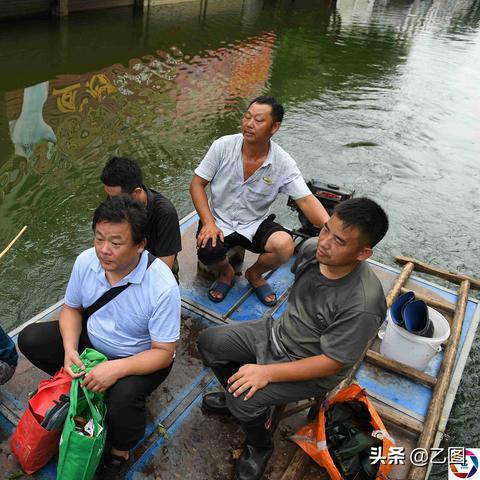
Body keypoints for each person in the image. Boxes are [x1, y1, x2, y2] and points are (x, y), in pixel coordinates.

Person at [197, 197, 389, 480]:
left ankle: (260, 445)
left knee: (243, 398)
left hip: (312, 365)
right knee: (209, 342)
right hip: (277, 332)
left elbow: (331, 364)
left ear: (363, 253)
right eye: (325, 230)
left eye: (339, 241)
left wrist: (268, 373)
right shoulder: (312, 250)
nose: (325, 242)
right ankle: (242, 401)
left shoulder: (363, 303)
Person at [18, 196, 181, 480]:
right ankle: (86, 388)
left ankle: (120, 450)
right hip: (91, 341)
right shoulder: (86, 262)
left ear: (140, 245)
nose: (104, 250)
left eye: (116, 243)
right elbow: (72, 309)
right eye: (99, 239)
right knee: (31, 338)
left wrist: (114, 369)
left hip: (138, 357)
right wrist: (70, 350)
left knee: (123, 399)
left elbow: (164, 352)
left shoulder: (162, 286)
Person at [189, 96, 329, 306]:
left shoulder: (283, 162)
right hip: (219, 219)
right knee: (207, 251)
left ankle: (254, 274)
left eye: (259, 120)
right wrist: (208, 222)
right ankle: (226, 273)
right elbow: (197, 185)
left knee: (284, 245)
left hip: (254, 223)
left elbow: (307, 201)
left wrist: (332, 230)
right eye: (247, 117)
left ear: (274, 127)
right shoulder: (223, 146)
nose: (249, 124)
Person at [101, 156, 182, 281]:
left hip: (154, 273)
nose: (110, 202)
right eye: (108, 196)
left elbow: (164, 267)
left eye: (115, 198)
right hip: (124, 265)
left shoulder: (165, 214)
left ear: (136, 192)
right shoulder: (116, 202)